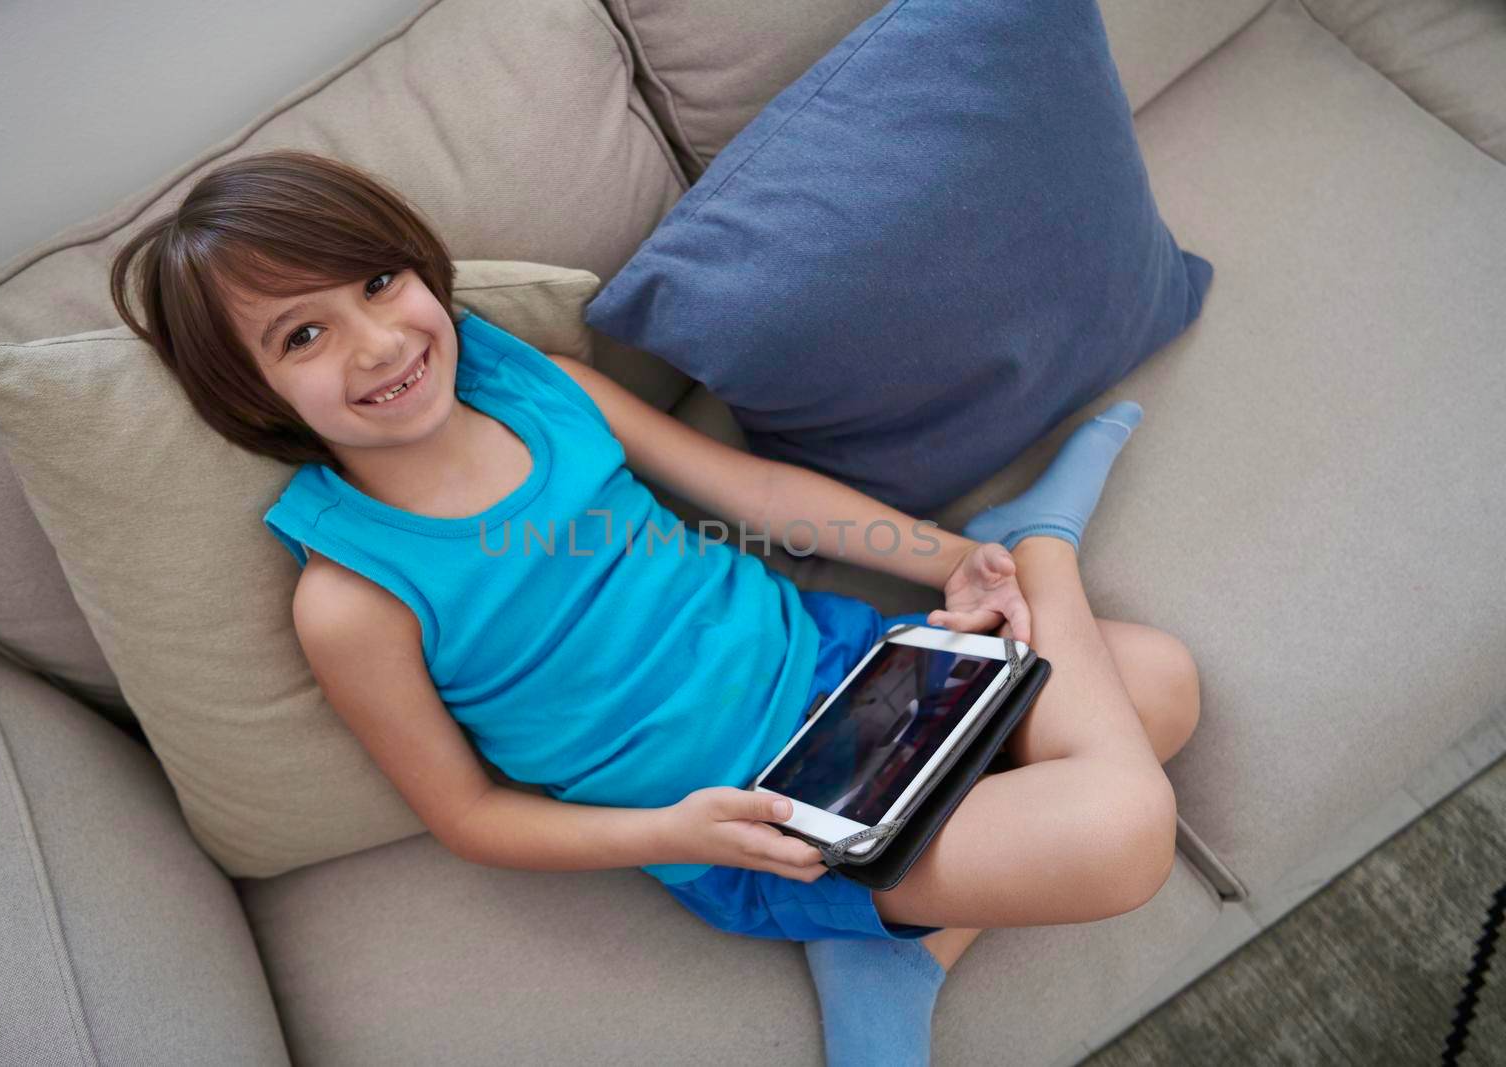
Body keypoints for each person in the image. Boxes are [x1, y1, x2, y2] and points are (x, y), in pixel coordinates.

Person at [109, 149, 1200, 1066]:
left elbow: (757, 494)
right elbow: (469, 818)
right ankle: (1042, 547)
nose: (381, 343)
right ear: (251, 394)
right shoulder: (349, 596)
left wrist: (953, 560)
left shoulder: (530, 380)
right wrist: (674, 831)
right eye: (303, 335)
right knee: (1120, 828)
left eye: (381, 283)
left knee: (1162, 683)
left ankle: (896, 928)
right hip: (759, 819)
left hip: (849, 674)